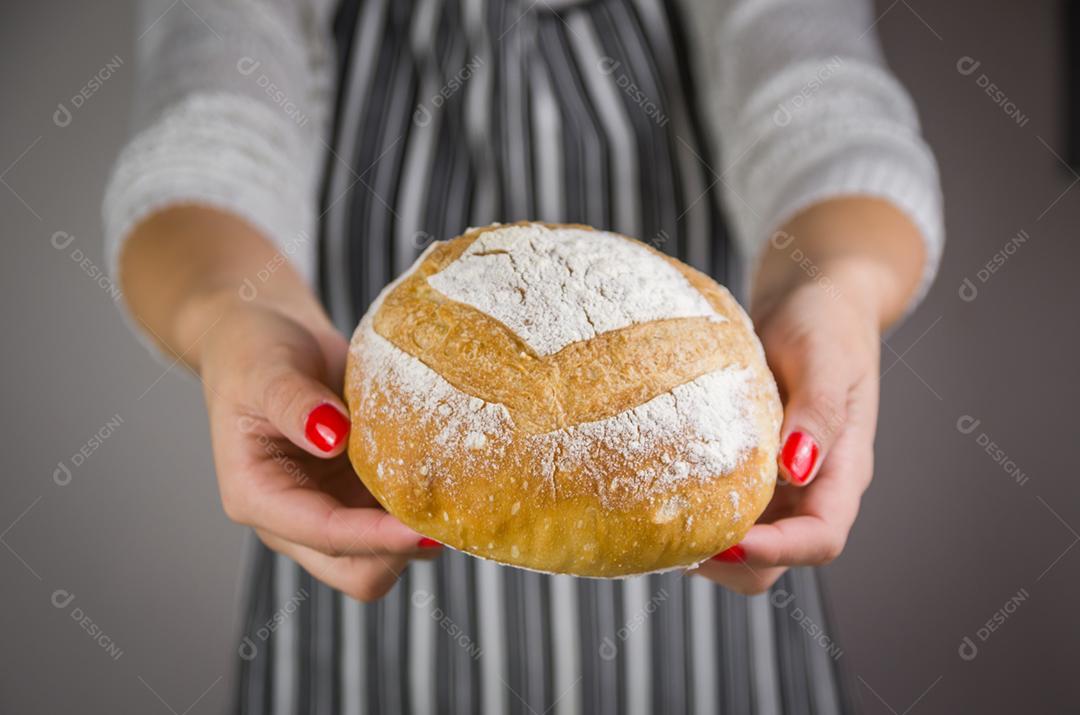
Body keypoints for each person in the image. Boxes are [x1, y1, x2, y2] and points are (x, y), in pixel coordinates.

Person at [105, 0, 942, 712]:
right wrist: (233, 318)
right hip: (350, 554)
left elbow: (824, 112)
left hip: (709, 598)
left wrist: (835, 291)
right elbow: (206, 135)